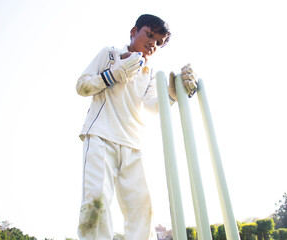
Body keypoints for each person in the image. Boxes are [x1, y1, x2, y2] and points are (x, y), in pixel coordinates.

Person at [76, 14, 198, 240]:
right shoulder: (110, 54)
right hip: (101, 138)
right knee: (96, 203)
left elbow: (153, 106)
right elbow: (82, 85)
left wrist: (171, 93)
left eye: (158, 42)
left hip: (133, 145)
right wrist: (114, 74)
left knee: (143, 209)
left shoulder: (149, 73)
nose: (152, 43)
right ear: (134, 32)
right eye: (149, 35)